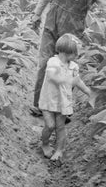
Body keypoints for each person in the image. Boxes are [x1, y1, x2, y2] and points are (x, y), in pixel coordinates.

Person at [39, 33, 91, 161]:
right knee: (50, 125)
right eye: (75, 54)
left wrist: (89, 92)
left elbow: (78, 81)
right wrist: (67, 80)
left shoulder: (73, 66)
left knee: (60, 127)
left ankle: (59, 150)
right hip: (48, 100)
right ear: (68, 52)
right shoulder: (53, 62)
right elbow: (52, 76)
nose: (77, 57)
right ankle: (45, 144)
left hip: (63, 102)